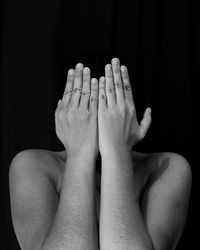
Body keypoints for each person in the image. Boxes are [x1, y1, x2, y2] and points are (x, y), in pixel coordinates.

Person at [9, 58, 192, 250]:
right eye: (82, 112)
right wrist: (80, 154)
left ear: (129, 115)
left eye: (112, 113)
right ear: (63, 116)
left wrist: (116, 151)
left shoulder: (168, 168)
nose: (96, 122)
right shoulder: (32, 166)